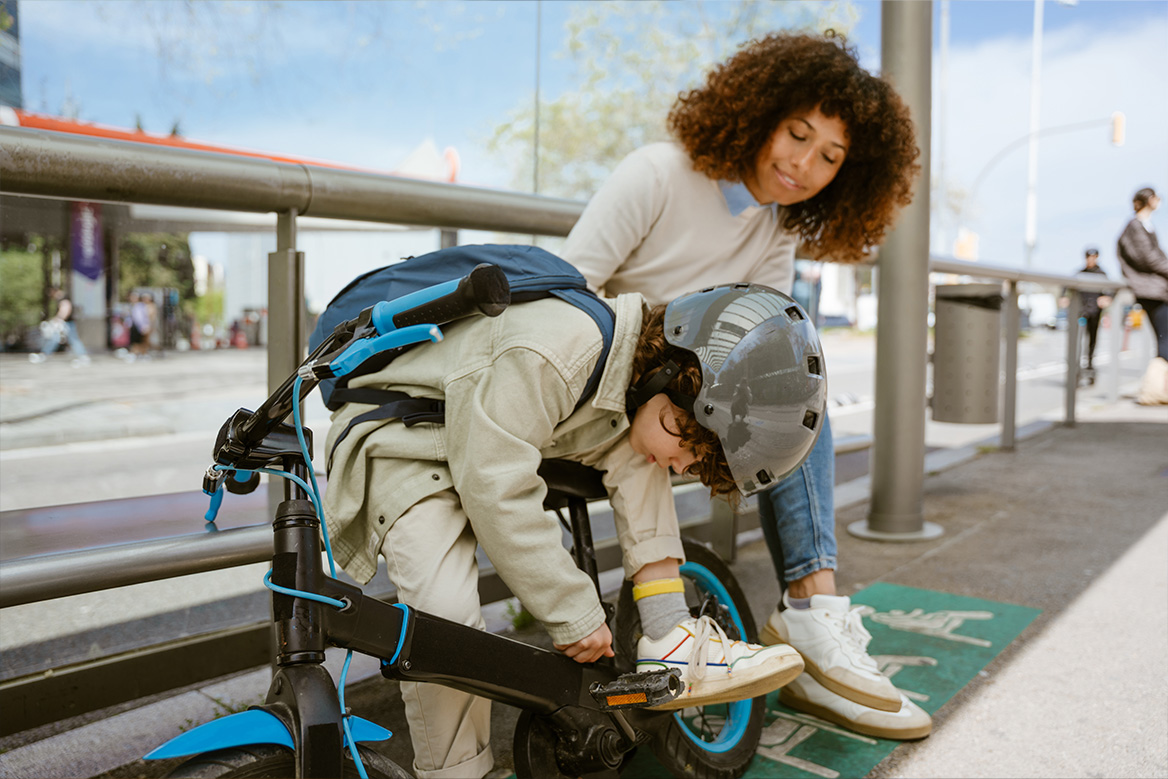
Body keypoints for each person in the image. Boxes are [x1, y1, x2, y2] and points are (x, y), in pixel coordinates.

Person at [561, 31, 930, 737]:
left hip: (696, 411)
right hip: (609, 400)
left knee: (795, 385)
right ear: (757, 110)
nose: (805, 163)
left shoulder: (777, 230)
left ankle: (814, 612)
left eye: (831, 155)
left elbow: (766, 343)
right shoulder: (659, 174)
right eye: (797, 133)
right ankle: (809, 616)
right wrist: (648, 377)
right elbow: (566, 299)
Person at [324, 282, 818, 778]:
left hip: (484, 431)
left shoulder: (634, 382)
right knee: (444, 618)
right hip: (399, 435)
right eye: (681, 435)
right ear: (663, 371)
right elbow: (496, 488)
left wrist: (665, 437)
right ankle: (456, 771)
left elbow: (502, 463)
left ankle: (669, 634)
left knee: (641, 451)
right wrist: (574, 613)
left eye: (694, 462)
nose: (680, 463)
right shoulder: (555, 353)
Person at [1065, 247, 1111, 383]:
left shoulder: (1101, 274)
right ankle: (1076, 372)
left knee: (1091, 342)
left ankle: (1090, 367)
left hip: (1095, 312)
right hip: (1081, 311)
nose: (1090, 260)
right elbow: (1066, 286)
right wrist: (1064, 297)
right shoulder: (1080, 273)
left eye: (1093, 257)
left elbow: (1110, 290)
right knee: (1077, 342)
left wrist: (1107, 298)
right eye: (1088, 257)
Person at [28, 286, 89, 366]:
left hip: (66, 323)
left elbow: (65, 309)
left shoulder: (63, 298)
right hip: (65, 323)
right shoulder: (62, 298)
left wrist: (57, 320)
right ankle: (44, 354)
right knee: (55, 339)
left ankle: (83, 357)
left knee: (72, 340)